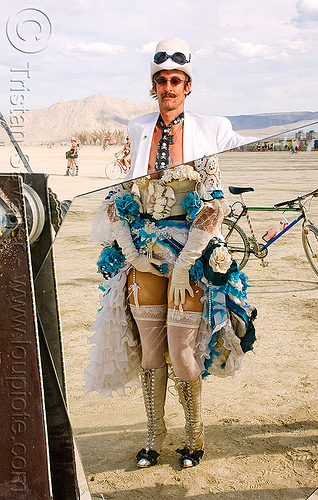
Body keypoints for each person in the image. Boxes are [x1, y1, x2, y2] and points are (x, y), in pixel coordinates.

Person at [84, 38, 257, 469]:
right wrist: (130, 250)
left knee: (181, 351)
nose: (168, 88)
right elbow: (116, 195)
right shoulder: (138, 130)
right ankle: (153, 437)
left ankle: (194, 439)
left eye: (175, 80)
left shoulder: (206, 130)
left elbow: (214, 203)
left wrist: (184, 265)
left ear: (188, 85)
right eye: (161, 81)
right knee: (149, 353)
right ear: (153, 86)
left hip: (190, 257)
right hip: (144, 256)